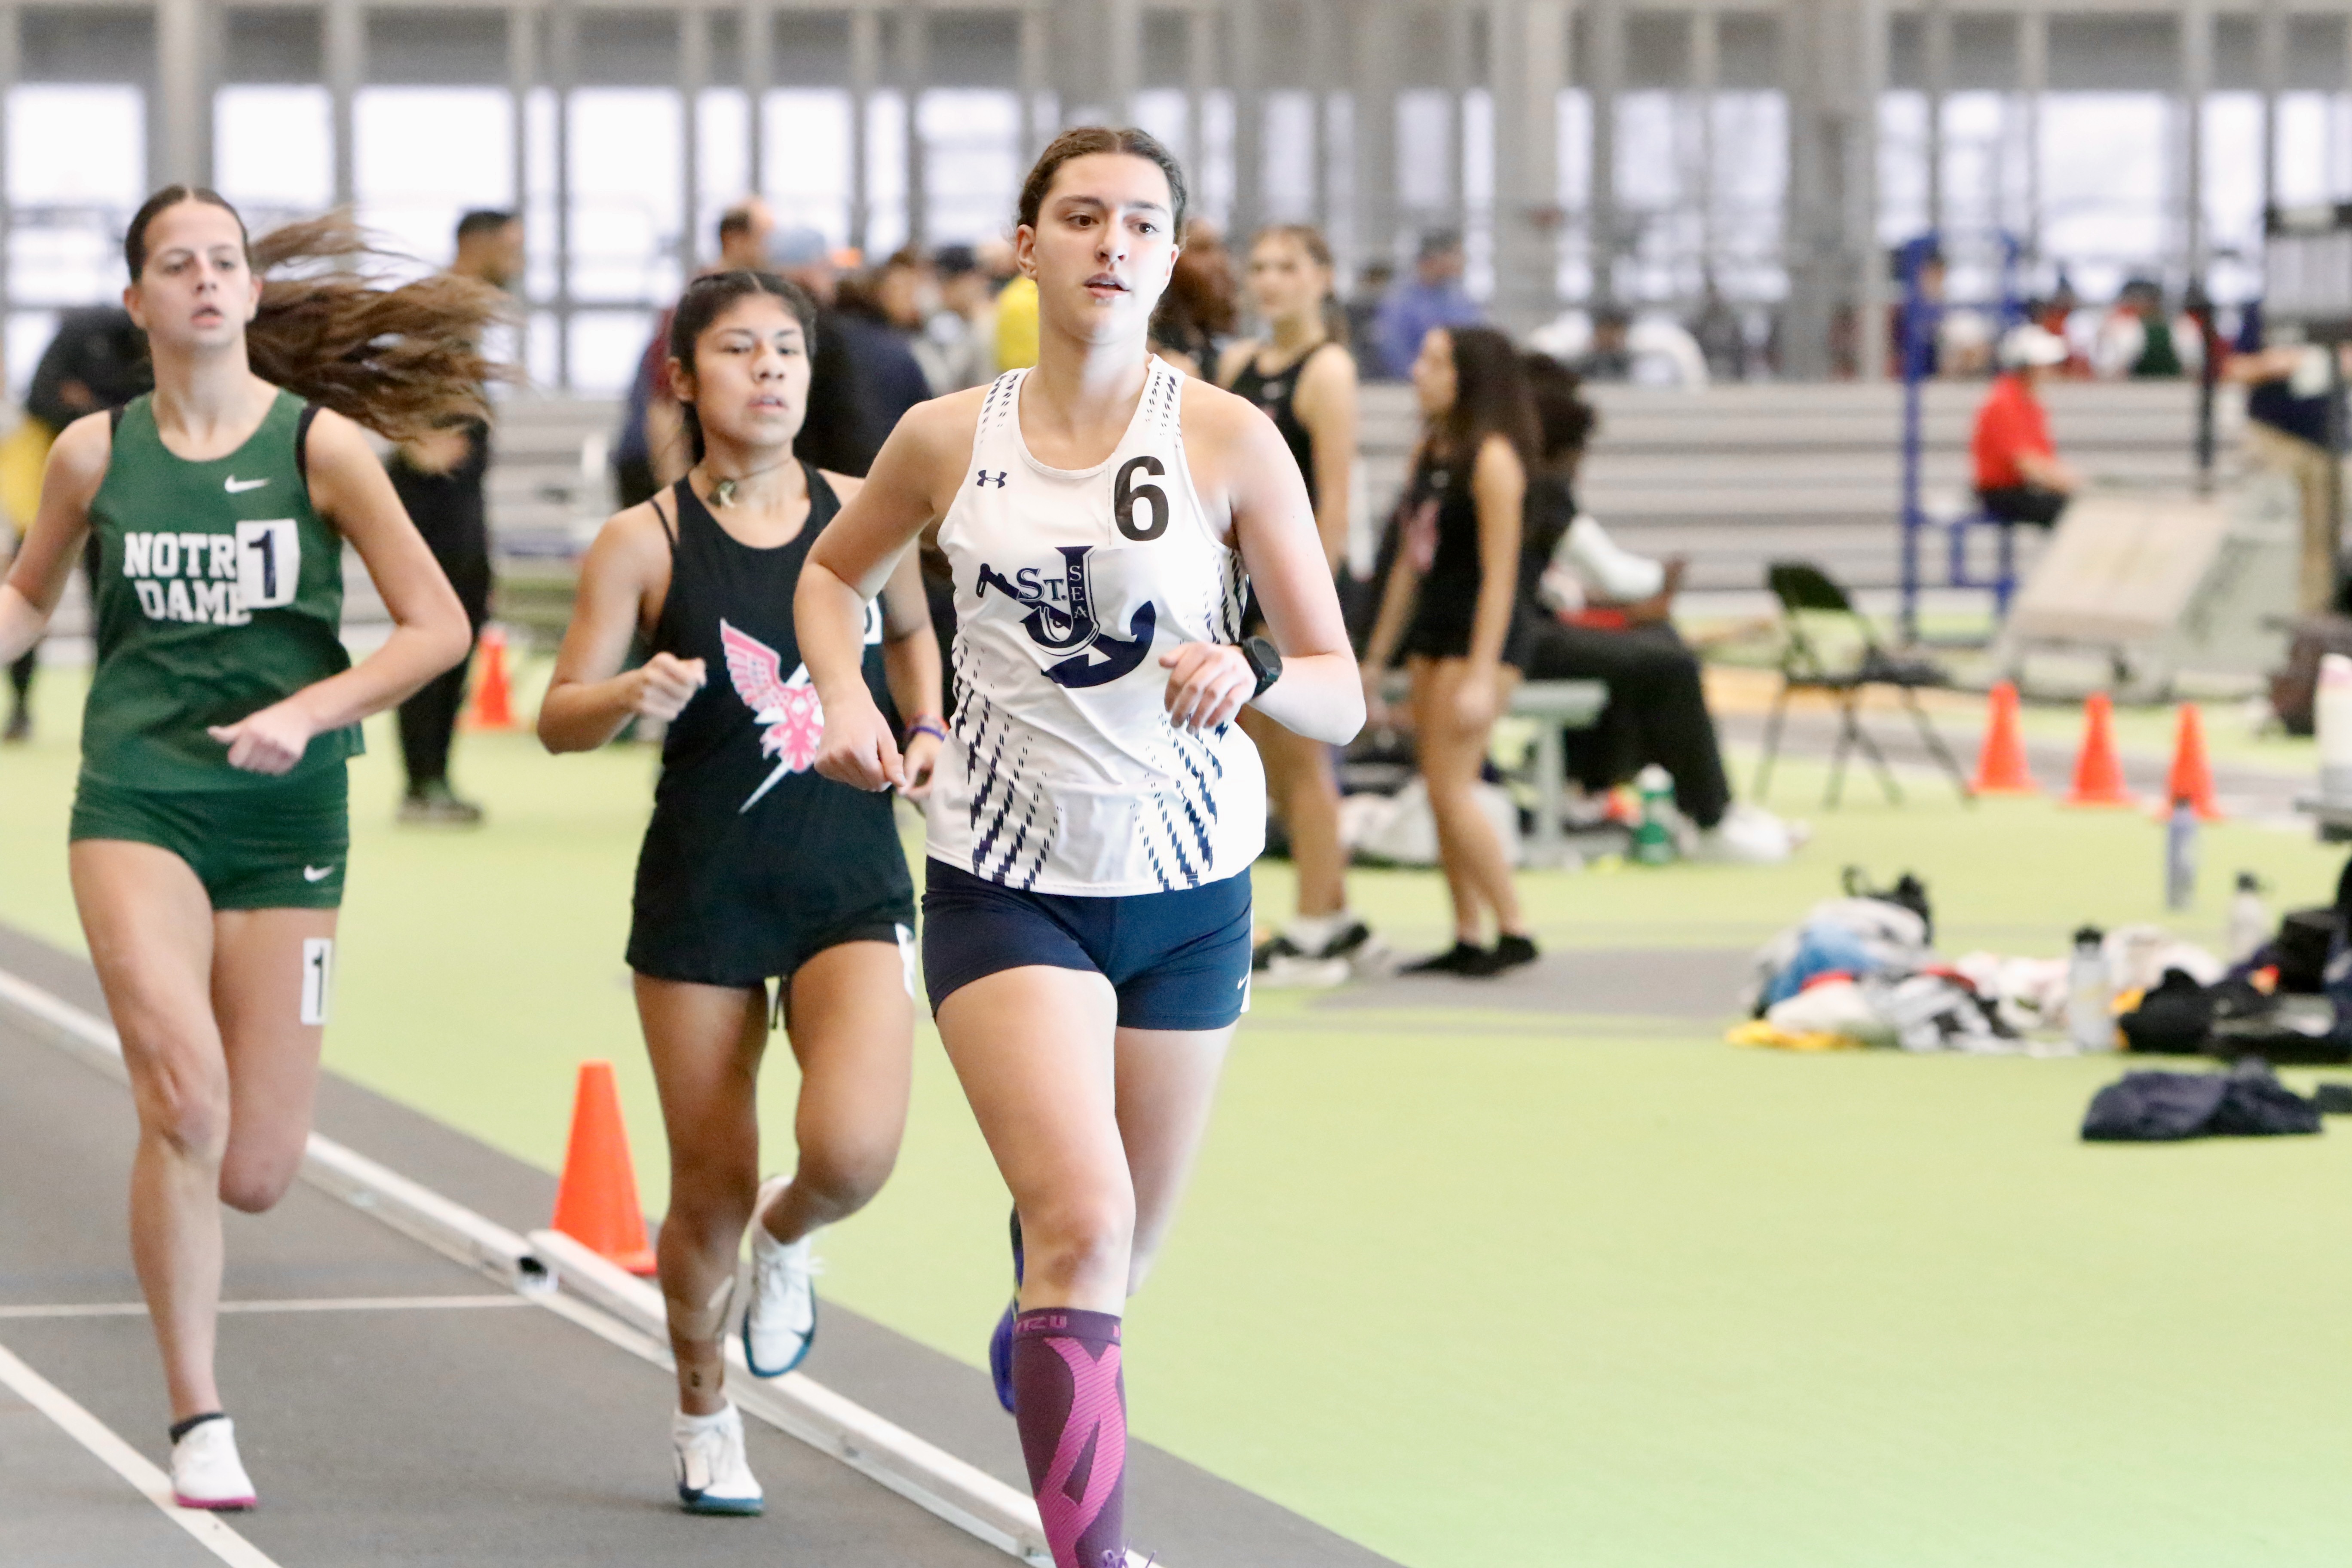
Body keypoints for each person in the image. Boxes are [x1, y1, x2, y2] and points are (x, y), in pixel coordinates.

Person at [794, 126, 1362, 1568]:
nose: (1113, 243)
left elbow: (1340, 687)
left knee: (1117, 1254)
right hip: (1008, 881)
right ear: (1028, 244)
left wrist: (1252, 668)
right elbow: (830, 574)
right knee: (1086, 1216)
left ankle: (1041, 1314)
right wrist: (850, 697)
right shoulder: (945, 436)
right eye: (1084, 215)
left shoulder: (1231, 438)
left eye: (1143, 223)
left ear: (1171, 259)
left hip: (1187, 889)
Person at [0, 188, 488, 1509]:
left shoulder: (324, 449)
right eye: (179, 263)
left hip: (290, 820)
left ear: (252, 294)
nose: (207, 279)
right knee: (184, 1098)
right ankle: (197, 1414)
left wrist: (309, 711)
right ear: (139, 300)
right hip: (139, 800)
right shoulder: (93, 454)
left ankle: (196, 1234)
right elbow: (28, 599)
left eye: (225, 260)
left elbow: (437, 628)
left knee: (257, 1169)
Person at [539, 268, 941, 1516]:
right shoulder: (641, 542)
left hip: (850, 880)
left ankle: (790, 1235)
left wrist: (924, 726)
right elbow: (558, 716)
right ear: (681, 377)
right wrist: (627, 695)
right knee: (708, 1183)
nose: (768, 369)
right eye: (737, 349)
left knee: (854, 1152)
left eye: (788, 349)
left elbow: (911, 633)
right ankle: (704, 1410)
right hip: (703, 891)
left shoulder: (863, 511)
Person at [1515, 355, 1794, 862]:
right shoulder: (1535, 484)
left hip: (1525, 624)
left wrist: (1606, 603)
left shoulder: (1518, 479)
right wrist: (1661, 581)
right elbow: (1613, 574)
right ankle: (1709, 817)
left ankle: (1602, 785)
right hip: (1511, 639)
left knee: (1651, 645)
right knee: (1668, 663)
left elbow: (1545, 581)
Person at [1216, 224, 1378, 983]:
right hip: (1242, 593)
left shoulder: (1329, 370)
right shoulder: (1239, 365)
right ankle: (1334, 911)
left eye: (1287, 267)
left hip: (1294, 598)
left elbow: (1335, 504)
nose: (1270, 280)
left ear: (1322, 278)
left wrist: (1307, 614)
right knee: (1264, 762)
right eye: (1259, 267)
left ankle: (1314, 929)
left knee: (1303, 759)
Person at [1361, 325, 1538, 976]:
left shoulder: (1493, 459)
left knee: (1453, 788)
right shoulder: (1431, 452)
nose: (1419, 372)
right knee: (1436, 789)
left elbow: (1502, 576)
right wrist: (1376, 658)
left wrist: (1483, 675)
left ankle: (1514, 926)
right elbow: (1410, 565)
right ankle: (1467, 931)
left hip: (1481, 637)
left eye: (1435, 363)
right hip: (1433, 633)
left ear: (1471, 378)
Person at [389, 208, 522, 826]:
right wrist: (412, 440)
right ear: (478, 244)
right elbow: (381, 373)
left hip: (460, 499)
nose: (519, 260)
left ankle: (435, 776)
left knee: (461, 630)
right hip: (429, 501)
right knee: (432, 633)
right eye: (511, 247)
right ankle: (421, 783)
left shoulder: (465, 313)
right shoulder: (434, 304)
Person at [4, 306, 156, 741]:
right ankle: (20, 709)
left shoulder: (161, 349)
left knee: (108, 609)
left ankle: (106, 713)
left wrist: (87, 404)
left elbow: (152, 418)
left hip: (120, 496)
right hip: (46, 495)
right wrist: (109, 416)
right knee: (26, 591)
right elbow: (42, 399)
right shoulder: (81, 331)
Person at [614, 199, 775, 507]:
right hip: (658, 460)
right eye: (765, 238)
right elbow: (665, 404)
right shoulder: (701, 306)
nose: (772, 250)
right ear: (734, 239)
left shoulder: (746, 303)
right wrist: (678, 499)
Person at [2226, 302, 2339, 615]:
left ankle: (2312, 617)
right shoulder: (2265, 308)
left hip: (2328, 442)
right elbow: (2235, 367)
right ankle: (2259, 614)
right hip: (2273, 438)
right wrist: (2280, 364)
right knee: (2268, 535)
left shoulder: (2338, 306)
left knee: (2322, 540)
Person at [1973, 324, 2078, 528]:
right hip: (2000, 491)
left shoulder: (2027, 400)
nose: (2051, 370)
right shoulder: (2005, 402)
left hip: (2019, 487)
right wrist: (2068, 482)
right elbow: (2024, 462)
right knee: (2071, 512)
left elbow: (2039, 458)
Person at [1375, 230, 1483, 380]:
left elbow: (1477, 340)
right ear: (1434, 258)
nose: (1462, 260)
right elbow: (1396, 354)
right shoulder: (1401, 302)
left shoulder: (1459, 297)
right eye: (1455, 254)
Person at [1149, 218, 1237, 378]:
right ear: (1171, 259)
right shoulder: (1151, 350)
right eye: (1202, 249)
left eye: (1221, 249)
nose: (1218, 261)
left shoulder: (1219, 344)